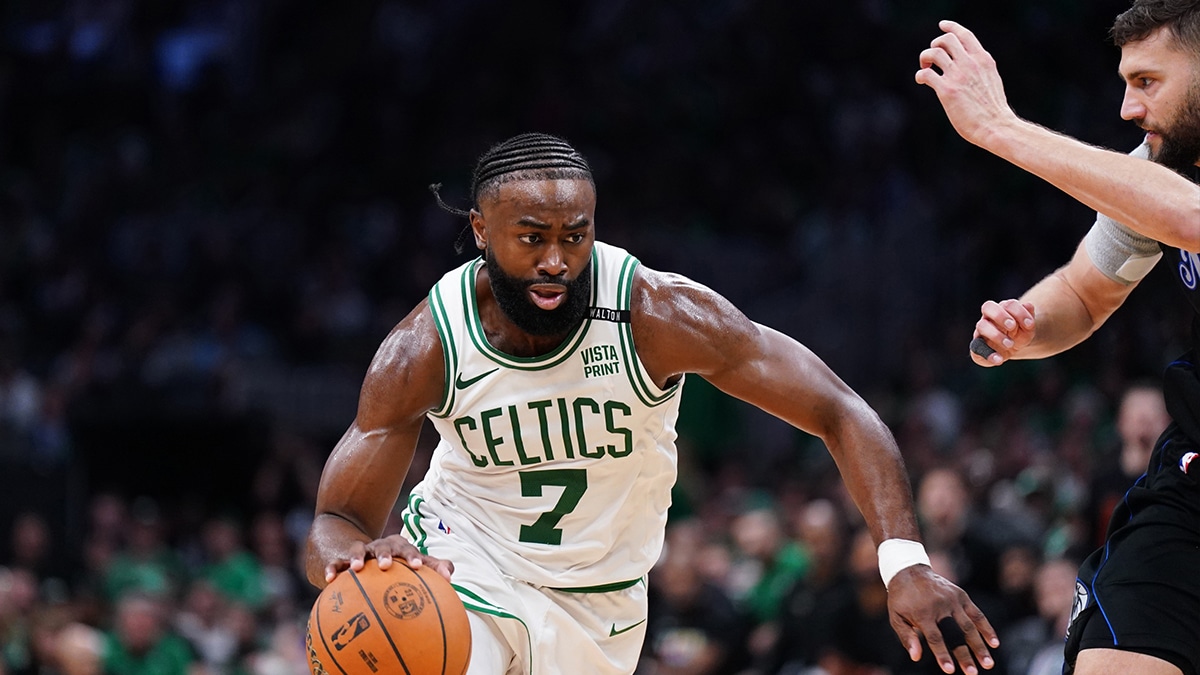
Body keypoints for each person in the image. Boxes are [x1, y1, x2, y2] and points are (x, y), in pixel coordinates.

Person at [303, 132, 999, 675]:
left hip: (602, 602)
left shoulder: (656, 314)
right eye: (532, 238)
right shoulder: (426, 345)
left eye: (575, 236)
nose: (556, 261)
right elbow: (336, 518)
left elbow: (840, 409)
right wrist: (354, 559)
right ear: (482, 231)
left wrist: (903, 559)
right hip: (463, 567)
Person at [916, 2, 1200, 674]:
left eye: (1148, 81)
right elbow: (1084, 292)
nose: (1129, 107)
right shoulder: (1163, 164)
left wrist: (1000, 129)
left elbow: (1190, 217)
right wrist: (1024, 325)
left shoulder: (1172, 193)